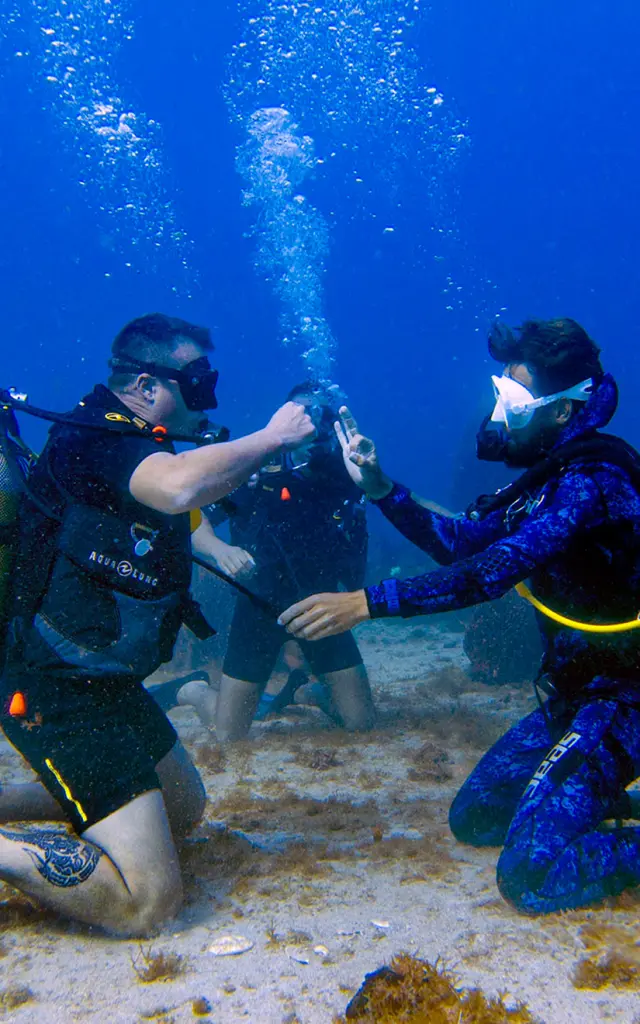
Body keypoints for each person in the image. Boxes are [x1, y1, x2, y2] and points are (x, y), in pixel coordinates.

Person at [279, 318, 640, 915]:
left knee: (531, 872)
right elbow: (461, 544)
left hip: (624, 700)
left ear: (564, 408)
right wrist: (378, 486)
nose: (501, 415)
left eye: (516, 401)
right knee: (477, 816)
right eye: (500, 394)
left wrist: (368, 603)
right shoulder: (547, 483)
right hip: (574, 698)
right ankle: (575, 802)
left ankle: (582, 814)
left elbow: (489, 573)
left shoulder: (592, 482)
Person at [0, 313, 314, 936]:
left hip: (100, 676)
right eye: (197, 382)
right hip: (55, 684)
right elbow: (175, 490)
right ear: (145, 386)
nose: (209, 399)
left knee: (184, 807)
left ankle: (83, 806)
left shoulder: (134, 440)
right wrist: (271, 437)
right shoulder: (101, 436)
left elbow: (179, 503)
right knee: (147, 904)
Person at [199, 383, 376, 741]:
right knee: (227, 738)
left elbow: (387, 494)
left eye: (318, 414)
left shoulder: (343, 470)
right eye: (300, 412)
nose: (309, 421)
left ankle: (310, 692)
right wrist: (219, 549)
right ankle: (194, 692)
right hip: (257, 605)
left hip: (321, 608)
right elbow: (191, 515)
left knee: (361, 723)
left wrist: (368, 467)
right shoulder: (253, 465)